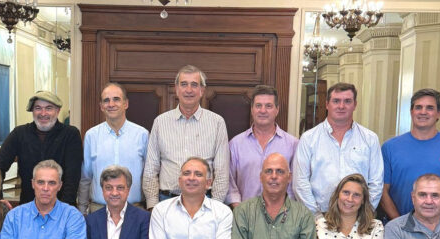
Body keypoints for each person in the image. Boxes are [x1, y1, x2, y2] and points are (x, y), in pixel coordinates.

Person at [142, 65, 229, 209]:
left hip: (204, 202)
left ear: (202, 90)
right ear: (177, 89)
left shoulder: (217, 123)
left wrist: (216, 206)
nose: (189, 90)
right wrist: (152, 206)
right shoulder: (160, 122)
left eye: (194, 85)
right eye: (184, 84)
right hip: (166, 201)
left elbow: (222, 171)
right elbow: (151, 169)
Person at [380, 88, 440, 219]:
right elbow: (382, 192)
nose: (423, 112)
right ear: (411, 112)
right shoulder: (389, 147)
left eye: (430, 108)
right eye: (418, 107)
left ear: (439, 113)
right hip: (397, 224)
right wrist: (399, 224)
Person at [293, 82, 383, 216]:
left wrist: (364, 214)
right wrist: (317, 217)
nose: (341, 106)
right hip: (319, 216)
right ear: (327, 104)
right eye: (336, 101)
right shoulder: (309, 138)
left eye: (347, 101)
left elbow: (376, 183)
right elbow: (300, 183)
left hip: (358, 216)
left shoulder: (370, 139)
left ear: (355, 105)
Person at [0, 90, 83, 205]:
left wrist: (64, 209)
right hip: (27, 207)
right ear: (32, 111)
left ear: (57, 111)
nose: (43, 113)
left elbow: (73, 177)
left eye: (48, 108)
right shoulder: (19, 134)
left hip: (62, 207)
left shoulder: (70, 134)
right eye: (38, 108)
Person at [78, 82, 149, 214]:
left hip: (134, 210)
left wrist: (151, 208)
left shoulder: (142, 135)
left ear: (126, 104)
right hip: (98, 210)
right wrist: (82, 210)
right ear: (101, 106)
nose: (111, 104)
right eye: (106, 100)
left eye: (116, 99)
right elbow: (85, 177)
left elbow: (149, 175)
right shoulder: (91, 136)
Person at [226, 85, 298, 208]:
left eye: (268, 106)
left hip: (283, 215)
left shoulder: (293, 145)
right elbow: (230, 183)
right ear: (252, 109)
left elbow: (295, 185)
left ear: (277, 110)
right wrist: (241, 211)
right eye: (258, 105)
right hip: (244, 213)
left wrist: (286, 211)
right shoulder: (235, 144)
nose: (263, 110)